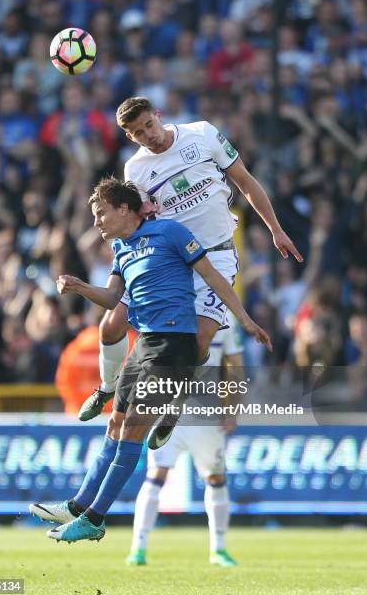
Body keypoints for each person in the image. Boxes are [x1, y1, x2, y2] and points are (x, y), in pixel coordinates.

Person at [29, 177, 272, 543]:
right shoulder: (121, 249)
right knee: (115, 424)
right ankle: (78, 505)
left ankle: (95, 517)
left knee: (133, 430)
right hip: (143, 344)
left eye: (100, 213)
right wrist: (79, 287)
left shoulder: (170, 233)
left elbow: (214, 277)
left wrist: (246, 320)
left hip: (174, 345)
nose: (96, 222)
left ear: (124, 209)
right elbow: (114, 299)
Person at [78, 96, 302, 427]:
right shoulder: (135, 169)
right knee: (110, 326)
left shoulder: (202, 134)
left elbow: (245, 181)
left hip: (216, 253)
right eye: (138, 133)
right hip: (172, 258)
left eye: (149, 126)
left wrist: (275, 229)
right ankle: (107, 387)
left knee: (198, 343)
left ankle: (176, 402)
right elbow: (140, 222)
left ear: (159, 116)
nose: (148, 136)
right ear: (130, 137)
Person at [126, 312, 243, 568]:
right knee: (159, 475)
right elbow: (235, 365)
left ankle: (216, 550)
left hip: (199, 413)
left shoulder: (173, 310)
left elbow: (233, 366)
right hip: (178, 410)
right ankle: (139, 548)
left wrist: (231, 410)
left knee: (202, 477)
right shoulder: (218, 315)